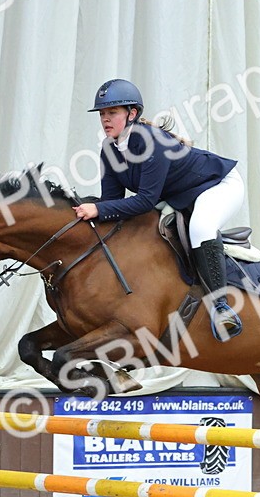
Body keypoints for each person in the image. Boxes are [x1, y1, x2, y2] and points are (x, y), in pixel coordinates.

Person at [73, 79, 245, 340]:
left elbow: (143, 201)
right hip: (178, 195)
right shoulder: (110, 149)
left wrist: (98, 210)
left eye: (112, 113)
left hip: (218, 186)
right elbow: (111, 200)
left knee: (201, 226)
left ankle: (222, 308)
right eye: (102, 114)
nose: (105, 119)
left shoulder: (152, 142)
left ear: (132, 114)